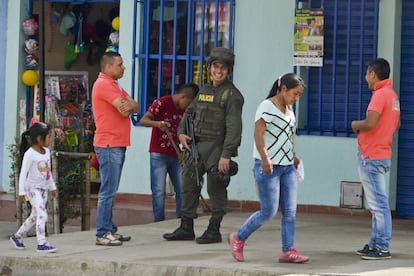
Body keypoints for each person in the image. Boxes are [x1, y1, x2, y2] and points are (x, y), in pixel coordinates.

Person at [163, 47, 244, 244]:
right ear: (209, 68)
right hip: (195, 147)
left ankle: (214, 228)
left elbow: (234, 128)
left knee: (215, 189)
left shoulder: (232, 95)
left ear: (229, 70)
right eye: (215, 66)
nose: (219, 71)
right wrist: (181, 133)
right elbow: (189, 114)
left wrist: (226, 154)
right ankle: (186, 227)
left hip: (216, 149)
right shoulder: (204, 91)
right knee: (189, 186)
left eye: (223, 68)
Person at [228, 73, 310, 263]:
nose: (296, 99)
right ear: (283, 89)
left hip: (287, 167)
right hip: (268, 168)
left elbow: (289, 137)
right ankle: (238, 238)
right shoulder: (266, 106)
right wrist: (265, 159)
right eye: (294, 94)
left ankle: (288, 250)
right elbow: (258, 134)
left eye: (299, 95)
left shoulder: (289, 110)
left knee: (290, 211)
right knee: (269, 211)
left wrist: (294, 158)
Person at [351, 58, 400, 260]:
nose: (365, 77)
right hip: (382, 154)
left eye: (367, 73)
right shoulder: (392, 96)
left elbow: (370, 123)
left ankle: (381, 246)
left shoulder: (380, 95)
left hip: (371, 156)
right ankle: (374, 243)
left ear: (373, 74)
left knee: (379, 205)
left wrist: (355, 124)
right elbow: (396, 124)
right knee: (376, 204)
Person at [92, 51, 139, 246]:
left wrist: (130, 105)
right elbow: (124, 108)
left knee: (111, 190)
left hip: (117, 143)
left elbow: (135, 107)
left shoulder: (114, 85)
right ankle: (102, 232)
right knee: (107, 191)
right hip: (109, 144)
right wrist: (128, 105)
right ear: (108, 67)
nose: (123, 67)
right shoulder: (104, 84)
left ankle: (109, 229)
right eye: (120, 64)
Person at [139, 83, 199, 222]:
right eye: (188, 103)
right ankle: (159, 221)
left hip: (177, 154)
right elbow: (143, 120)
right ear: (183, 96)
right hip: (158, 154)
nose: (187, 107)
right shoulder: (162, 102)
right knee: (159, 191)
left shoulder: (184, 111)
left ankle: (182, 220)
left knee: (182, 189)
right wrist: (158, 124)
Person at [10, 122, 58, 253]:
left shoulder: (47, 152)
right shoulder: (29, 154)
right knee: (42, 214)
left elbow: (48, 172)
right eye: (48, 136)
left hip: (43, 189)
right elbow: (23, 173)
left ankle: (17, 236)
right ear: (39, 138)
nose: (50, 139)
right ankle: (41, 243)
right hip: (32, 189)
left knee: (35, 216)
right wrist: (21, 193)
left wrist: (52, 187)